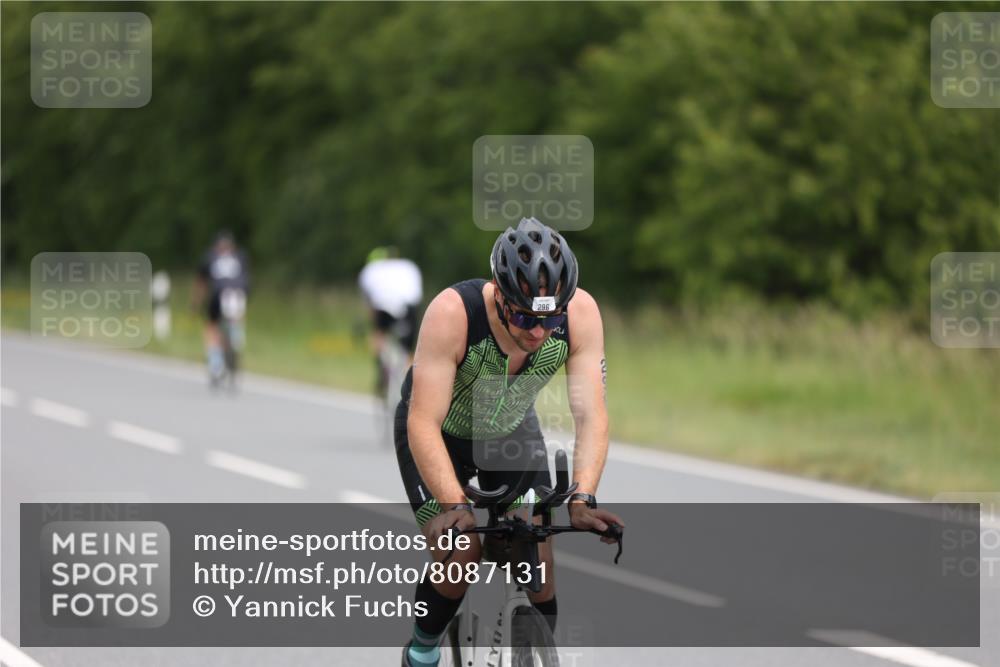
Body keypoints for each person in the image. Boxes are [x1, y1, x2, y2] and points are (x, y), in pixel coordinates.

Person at [395, 217, 623, 667]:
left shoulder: (580, 315)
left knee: (535, 552)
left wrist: (582, 497)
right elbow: (423, 421)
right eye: (523, 317)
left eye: (549, 319)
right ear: (499, 294)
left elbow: (591, 413)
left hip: (510, 430)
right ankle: (421, 652)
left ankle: (530, 653)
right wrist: (456, 507)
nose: (537, 332)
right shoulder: (453, 313)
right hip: (439, 432)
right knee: (462, 551)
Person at [358, 247, 423, 394]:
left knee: (378, 336)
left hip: (383, 306)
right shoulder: (408, 266)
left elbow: (370, 307)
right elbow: (416, 295)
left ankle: (381, 374)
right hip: (409, 307)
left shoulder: (369, 270)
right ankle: (413, 382)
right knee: (409, 351)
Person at [193, 231, 250, 383]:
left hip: (218, 294)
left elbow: (202, 285)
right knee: (236, 317)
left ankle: (216, 362)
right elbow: (246, 280)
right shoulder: (240, 257)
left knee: (211, 327)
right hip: (238, 294)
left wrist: (195, 305)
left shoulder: (209, 257)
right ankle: (237, 336)